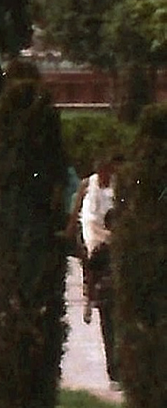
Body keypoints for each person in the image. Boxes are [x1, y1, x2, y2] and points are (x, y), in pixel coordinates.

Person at [83, 157, 119, 381]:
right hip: (108, 297)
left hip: (122, 298)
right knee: (110, 334)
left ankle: (121, 371)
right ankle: (114, 372)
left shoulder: (127, 251)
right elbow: (91, 275)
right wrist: (88, 304)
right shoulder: (102, 251)